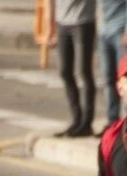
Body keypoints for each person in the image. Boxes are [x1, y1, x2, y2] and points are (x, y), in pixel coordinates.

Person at [43, 0, 97, 138]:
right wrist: (50, 27)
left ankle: (86, 123)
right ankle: (76, 119)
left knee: (84, 72)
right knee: (65, 71)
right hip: (62, 23)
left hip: (83, 22)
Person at [98, 0, 127, 130]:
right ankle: (112, 121)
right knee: (108, 78)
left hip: (121, 31)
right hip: (104, 31)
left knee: (126, 77)